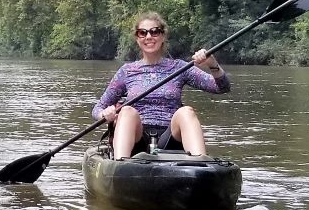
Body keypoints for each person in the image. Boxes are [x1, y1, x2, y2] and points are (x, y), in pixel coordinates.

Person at [93, 11, 229, 157]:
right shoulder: (127, 71)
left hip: (171, 136)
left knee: (186, 112)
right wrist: (104, 113)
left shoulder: (180, 68)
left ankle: (201, 164)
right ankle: (119, 165)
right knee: (126, 111)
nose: (149, 37)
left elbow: (222, 87)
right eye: (142, 33)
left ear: (163, 36)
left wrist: (212, 63)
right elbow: (98, 108)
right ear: (137, 38)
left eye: (155, 32)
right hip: (137, 138)